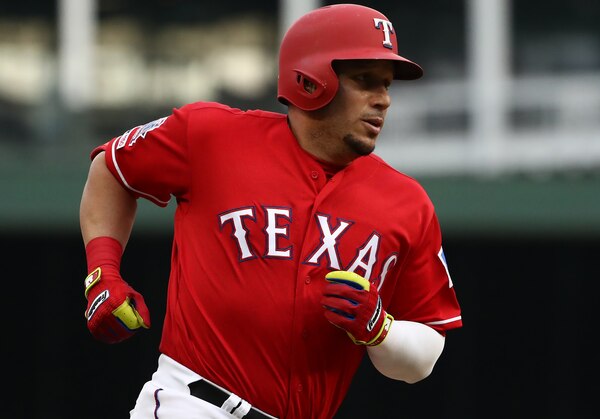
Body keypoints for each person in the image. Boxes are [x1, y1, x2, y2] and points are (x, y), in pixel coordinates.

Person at [80, 3, 463, 419]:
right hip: (193, 403)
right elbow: (112, 168)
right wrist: (103, 273)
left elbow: (424, 355)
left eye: (387, 85)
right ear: (311, 80)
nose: (383, 100)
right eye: (366, 80)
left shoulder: (407, 202)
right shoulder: (211, 135)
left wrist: (380, 330)